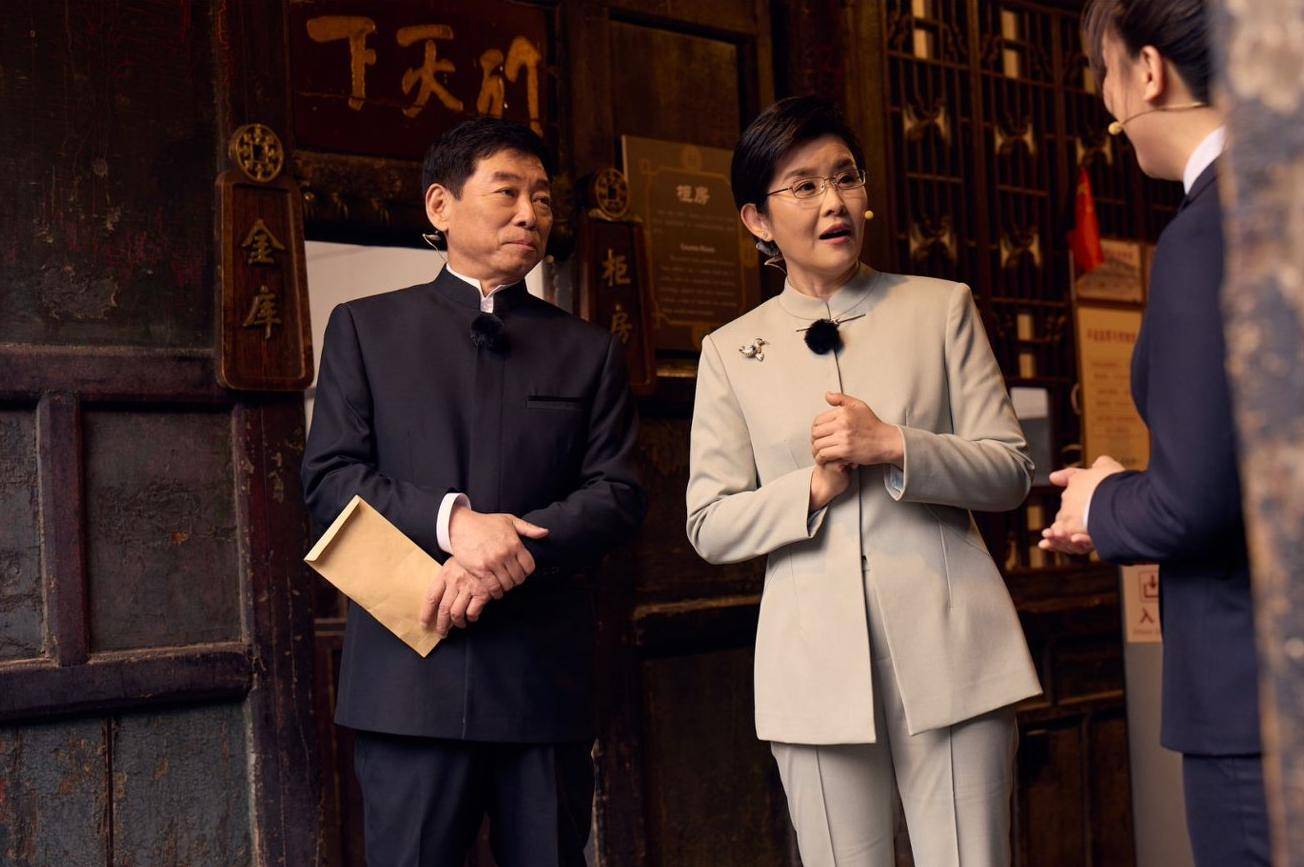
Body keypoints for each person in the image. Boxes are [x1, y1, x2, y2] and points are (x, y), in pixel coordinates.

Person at [685, 96, 1040, 867]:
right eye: (804, 186)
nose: (834, 202)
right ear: (756, 220)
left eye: (846, 177)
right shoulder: (730, 351)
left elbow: (1012, 470)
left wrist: (896, 444)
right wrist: (808, 490)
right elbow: (709, 522)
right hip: (813, 671)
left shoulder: (941, 309)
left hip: (953, 650)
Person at [301, 117, 646, 867]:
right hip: (408, 683)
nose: (531, 214)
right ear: (440, 205)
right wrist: (455, 523)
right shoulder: (365, 329)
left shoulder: (589, 350)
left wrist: (504, 551)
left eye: (543, 199)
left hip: (539, 683)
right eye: (507, 192)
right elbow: (328, 478)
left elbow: (617, 492)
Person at [1041, 2, 1268, 863]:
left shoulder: (1208, 236)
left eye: (1105, 72)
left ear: (1147, 71)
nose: (1107, 103)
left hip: (1252, 684)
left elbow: (1194, 501)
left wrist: (1101, 502)